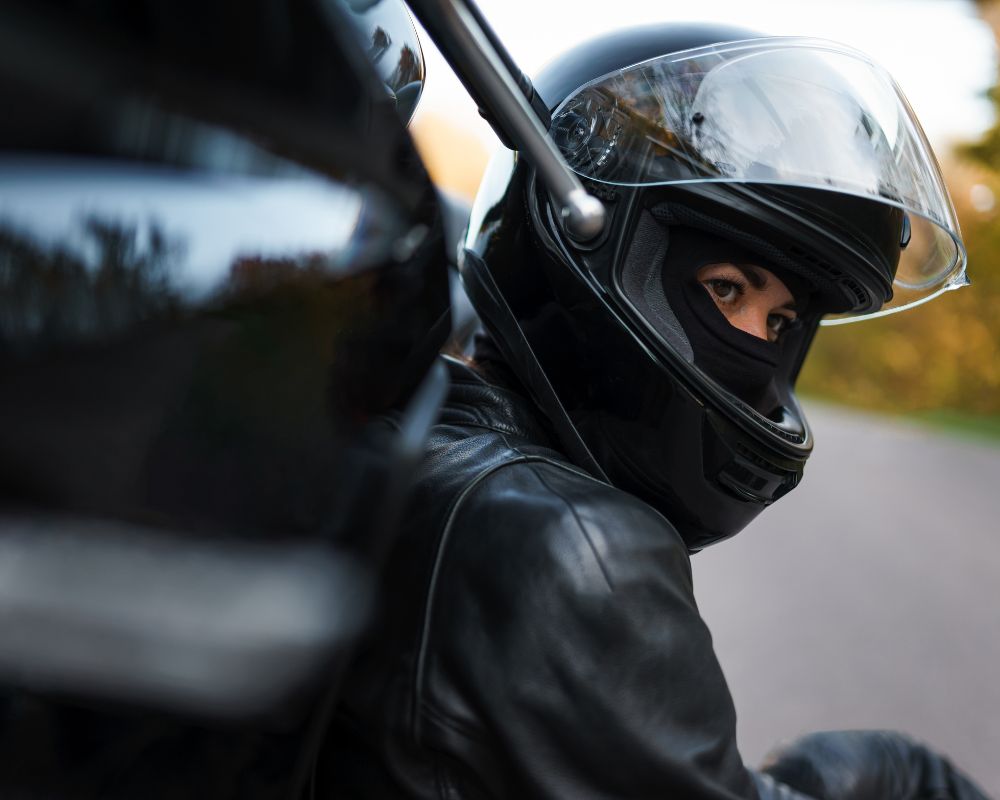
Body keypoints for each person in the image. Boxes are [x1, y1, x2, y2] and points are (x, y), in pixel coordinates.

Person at [323, 22, 991, 800]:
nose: (754, 343)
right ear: (589, 250)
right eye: (726, 289)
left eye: (780, 322)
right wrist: (889, 778)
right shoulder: (579, 551)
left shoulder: (422, 433)